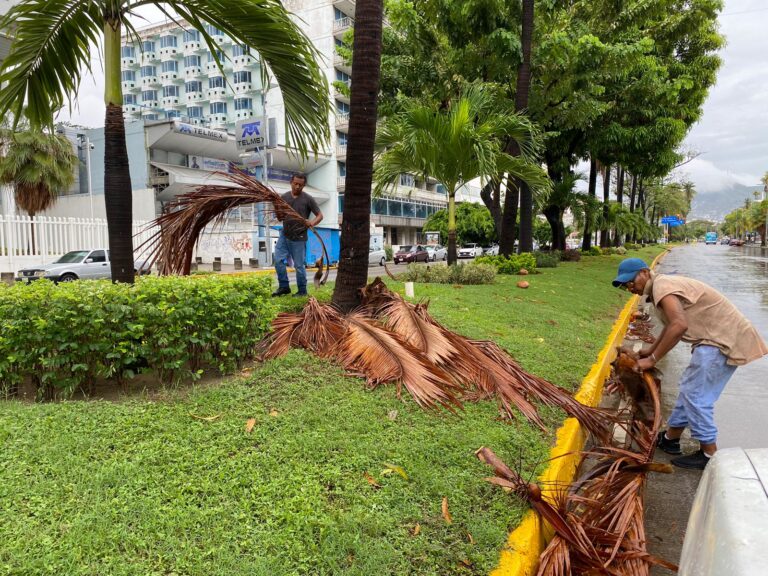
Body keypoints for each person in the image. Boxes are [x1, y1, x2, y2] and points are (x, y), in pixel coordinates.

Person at [612, 258, 767, 469]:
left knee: (696, 396)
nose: (629, 287)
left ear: (644, 273)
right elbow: (670, 326)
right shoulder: (661, 285)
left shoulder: (662, 286)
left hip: (719, 342)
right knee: (690, 390)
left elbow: (679, 325)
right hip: (717, 340)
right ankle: (670, 439)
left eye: (630, 281)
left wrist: (653, 359)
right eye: (624, 285)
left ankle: (709, 453)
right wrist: (650, 350)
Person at [272, 173, 323, 297]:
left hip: (299, 237)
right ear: (291, 182)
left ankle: (302, 290)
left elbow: (320, 215)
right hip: (285, 234)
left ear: (304, 185)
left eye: (300, 185)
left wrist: (311, 223)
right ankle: (284, 287)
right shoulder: (284, 197)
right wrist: (276, 206)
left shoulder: (308, 199)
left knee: (299, 266)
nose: (297, 186)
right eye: (295, 183)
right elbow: (280, 218)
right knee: (278, 261)